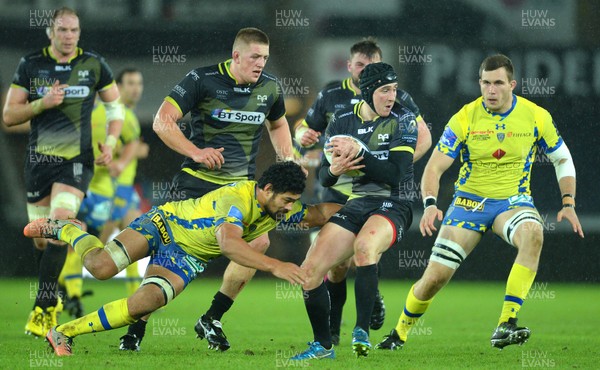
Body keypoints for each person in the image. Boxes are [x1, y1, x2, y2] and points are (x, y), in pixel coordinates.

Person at [375, 54, 584, 352]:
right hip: (468, 204)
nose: (491, 90)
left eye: (498, 83)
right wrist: (431, 203)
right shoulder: (465, 117)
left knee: (534, 234)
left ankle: (506, 323)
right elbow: (434, 167)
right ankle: (399, 333)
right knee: (433, 279)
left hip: (512, 203)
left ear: (512, 84)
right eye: (485, 83)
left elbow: (562, 158)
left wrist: (568, 202)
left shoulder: (536, 115)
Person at [24, 161, 338, 357]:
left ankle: (64, 332)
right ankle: (66, 228)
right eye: (286, 200)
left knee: (144, 303)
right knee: (100, 267)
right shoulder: (236, 199)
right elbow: (229, 244)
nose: (289, 208)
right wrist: (276, 266)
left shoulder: (283, 207)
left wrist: (365, 211)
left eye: (293, 202)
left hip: (186, 256)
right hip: (163, 225)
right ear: (267, 190)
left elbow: (320, 213)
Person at [121, 27, 299, 351]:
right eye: (255, 57)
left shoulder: (270, 87)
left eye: (265, 58)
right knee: (168, 258)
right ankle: (137, 323)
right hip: (196, 185)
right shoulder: (202, 79)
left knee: (258, 240)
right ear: (236, 56)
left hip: (238, 189)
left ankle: (213, 316)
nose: (261, 63)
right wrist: (195, 151)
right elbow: (163, 120)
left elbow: (278, 123)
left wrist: (288, 160)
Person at [294, 38, 432, 345]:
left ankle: (360, 332)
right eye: (386, 89)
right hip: (352, 198)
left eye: (394, 89)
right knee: (315, 267)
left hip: (392, 201)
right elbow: (326, 175)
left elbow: (397, 172)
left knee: (364, 249)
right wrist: (335, 168)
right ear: (364, 87)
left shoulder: (403, 116)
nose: (392, 95)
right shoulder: (340, 114)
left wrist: (371, 155)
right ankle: (325, 341)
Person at [2, 7, 123, 338]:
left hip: (76, 161)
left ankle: (42, 307)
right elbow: (9, 116)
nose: (69, 36)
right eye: (63, 30)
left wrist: (111, 142)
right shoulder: (31, 64)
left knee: (60, 222)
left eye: (74, 30)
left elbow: (116, 108)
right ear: (50, 33)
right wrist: (42, 104)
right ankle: (51, 298)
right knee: (43, 239)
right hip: (38, 162)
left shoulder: (94, 64)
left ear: (79, 33)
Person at [58, 68, 146, 318]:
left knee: (131, 236)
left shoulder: (127, 118)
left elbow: (131, 145)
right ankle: (68, 289)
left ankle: (134, 297)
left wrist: (124, 157)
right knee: (89, 242)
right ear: (117, 86)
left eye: (138, 83)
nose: (136, 89)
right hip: (90, 187)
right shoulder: (98, 113)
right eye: (130, 83)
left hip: (119, 190)